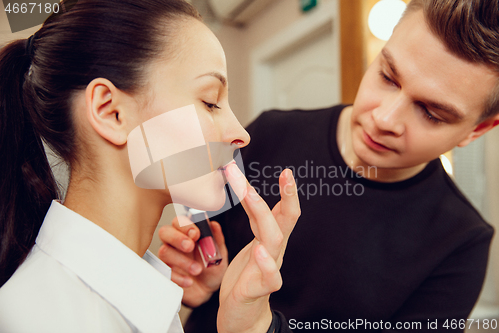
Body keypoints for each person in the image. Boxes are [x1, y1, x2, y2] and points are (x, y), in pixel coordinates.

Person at [159, 0, 499, 331]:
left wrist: (263, 328)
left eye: (430, 113)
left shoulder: (461, 243)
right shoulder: (270, 131)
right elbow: (205, 247)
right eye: (388, 76)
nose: (384, 118)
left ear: (478, 129)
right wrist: (204, 277)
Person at [0, 0, 301, 332]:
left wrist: (249, 325)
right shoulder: (35, 318)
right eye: (210, 101)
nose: (241, 134)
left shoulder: (139, 290)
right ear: (111, 112)